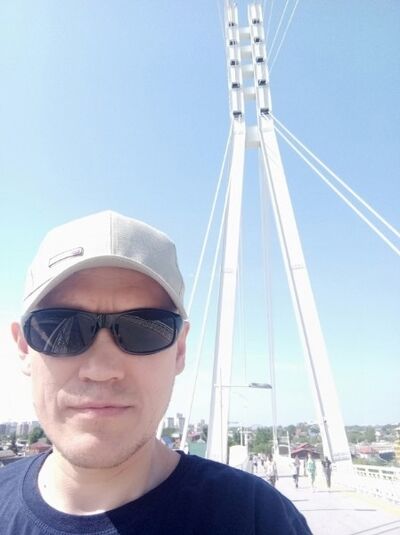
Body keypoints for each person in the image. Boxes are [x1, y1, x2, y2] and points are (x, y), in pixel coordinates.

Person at [0, 210, 312, 534]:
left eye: (143, 330)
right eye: (62, 328)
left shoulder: (259, 519)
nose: (101, 370)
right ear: (24, 347)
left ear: (180, 350)